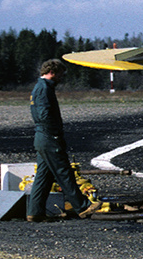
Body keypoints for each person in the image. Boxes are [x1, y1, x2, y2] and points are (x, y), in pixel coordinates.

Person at [27, 59, 102, 222]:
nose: (62, 77)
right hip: (48, 137)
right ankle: (82, 206)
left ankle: (35, 211)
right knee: (64, 173)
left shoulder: (40, 88)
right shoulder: (44, 89)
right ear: (52, 72)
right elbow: (44, 115)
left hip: (42, 137)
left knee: (43, 176)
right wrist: (54, 134)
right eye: (60, 73)